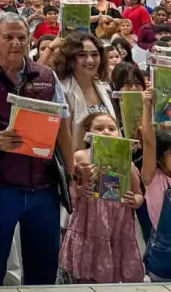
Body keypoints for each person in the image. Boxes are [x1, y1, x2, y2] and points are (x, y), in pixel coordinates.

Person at [0, 12, 75, 286]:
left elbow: (63, 127)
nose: (15, 43)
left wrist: (71, 174)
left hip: (42, 187)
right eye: (8, 37)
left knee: (44, 266)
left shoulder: (46, 77)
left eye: (21, 38)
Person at [58, 112, 144, 283]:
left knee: (115, 272)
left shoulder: (128, 162)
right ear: (87, 134)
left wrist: (134, 200)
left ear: (120, 133)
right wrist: (80, 189)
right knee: (86, 273)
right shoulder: (80, 157)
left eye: (112, 128)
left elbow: (139, 194)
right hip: (89, 222)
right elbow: (70, 189)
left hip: (118, 225)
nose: (106, 132)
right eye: (99, 128)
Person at [57, 32, 115, 148]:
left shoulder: (104, 86)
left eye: (94, 54)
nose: (90, 60)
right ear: (70, 59)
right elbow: (63, 139)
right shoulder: (62, 91)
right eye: (82, 55)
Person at [140, 94, 171, 281]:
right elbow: (149, 142)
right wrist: (147, 106)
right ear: (159, 160)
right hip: (163, 259)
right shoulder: (153, 179)